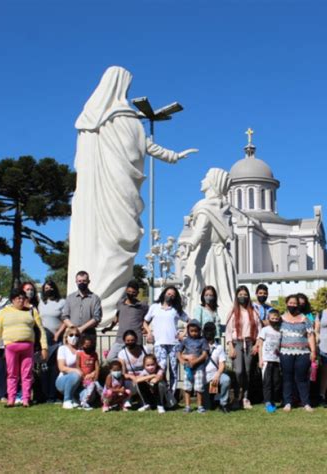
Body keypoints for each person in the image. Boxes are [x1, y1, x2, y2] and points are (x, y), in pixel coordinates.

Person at [68, 65, 197, 320]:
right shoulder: (93, 121)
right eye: (125, 84)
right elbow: (84, 161)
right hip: (100, 190)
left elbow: (146, 146)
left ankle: (109, 308)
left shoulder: (125, 118)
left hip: (122, 189)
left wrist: (173, 156)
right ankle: (97, 312)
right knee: (107, 240)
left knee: (122, 239)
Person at [179, 168, 236, 324]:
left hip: (206, 255)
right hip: (221, 256)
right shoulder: (222, 207)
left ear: (212, 182)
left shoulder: (206, 206)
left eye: (205, 177)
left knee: (201, 287)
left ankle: (201, 318)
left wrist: (189, 245)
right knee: (221, 289)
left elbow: (200, 231)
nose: (201, 180)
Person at [0, 288, 48, 407]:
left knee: (27, 374)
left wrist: (44, 347)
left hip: (28, 347)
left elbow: (41, 330)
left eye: (23, 298)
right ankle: (11, 399)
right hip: (10, 347)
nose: (21, 300)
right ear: (12, 300)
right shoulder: (3, 312)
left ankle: (26, 399)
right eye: (18, 298)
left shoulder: (32, 311)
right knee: (12, 374)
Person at [143, 286, 189, 393]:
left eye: (173, 295)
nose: (170, 297)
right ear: (164, 294)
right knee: (160, 369)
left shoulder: (176, 309)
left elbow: (190, 321)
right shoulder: (154, 307)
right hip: (159, 343)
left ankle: (172, 395)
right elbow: (145, 322)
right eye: (168, 294)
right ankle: (161, 393)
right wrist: (149, 332)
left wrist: (183, 334)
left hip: (174, 344)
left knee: (173, 370)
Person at [225, 285, 261, 409]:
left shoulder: (254, 311)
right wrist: (230, 346)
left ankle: (245, 398)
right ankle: (236, 396)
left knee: (247, 372)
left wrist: (257, 345)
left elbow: (259, 330)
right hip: (237, 343)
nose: (243, 297)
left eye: (245, 295)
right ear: (237, 296)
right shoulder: (233, 312)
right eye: (240, 295)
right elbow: (228, 330)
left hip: (250, 343)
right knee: (238, 371)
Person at [279, 296, 316, 413]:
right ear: (286, 304)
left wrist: (313, 351)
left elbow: (310, 335)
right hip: (285, 353)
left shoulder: (305, 319)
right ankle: (288, 402)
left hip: (303, 353)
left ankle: (305, 403)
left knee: (302, 379)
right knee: (287, 378)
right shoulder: (281, 319)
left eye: (295, 303)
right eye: (290, 303)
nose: (293, 305)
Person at [103, 280, 149, 362]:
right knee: (110, 358)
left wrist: (146, 328)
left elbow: (148, 318)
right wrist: (109, 328)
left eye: (133, 292)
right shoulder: (120, 303)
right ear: (126, 291)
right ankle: (125, 364)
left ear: (137, 293)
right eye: (129, 291)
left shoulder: (142, 306)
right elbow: (116, 317)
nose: (131, 294)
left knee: (138, 360)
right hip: (121, 338)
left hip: (136, 339)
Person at [38, 280, 65, 402]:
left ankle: (54, 395)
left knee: (55, 367)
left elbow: (65, 319)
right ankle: (44, 394)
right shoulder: (41, 303)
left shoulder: (62, 302)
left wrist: (58, 333)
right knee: (44, 367)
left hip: (57, 338)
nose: (48, 290)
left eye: (50, 287)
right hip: (45, 338)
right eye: (46, 288)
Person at [177, 319, 209, 413]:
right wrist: (183, 361)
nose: (194, 333)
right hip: (188, 368)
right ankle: (187, 406)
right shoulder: (185, 341)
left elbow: (204, 354)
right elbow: (178, 353)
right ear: (188, 331)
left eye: (196, 331)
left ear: (200, 330)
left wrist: (195, 362)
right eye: (192, 331)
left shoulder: (203, 340)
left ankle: (200, 406)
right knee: (187, 387)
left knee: (199, 388)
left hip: (199, 368)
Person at [62, 271, 102, 338]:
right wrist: (74, 328)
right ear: (76, 282)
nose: (82, 283)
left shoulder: (95, 298)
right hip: (72, 334)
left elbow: (97, 317)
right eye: (79, 281)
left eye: (84, 281)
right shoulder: (70, 298)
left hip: (89, 334)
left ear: (88, 281)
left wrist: (81, 329)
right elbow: (65, 316)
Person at [203, 322, 231, 413]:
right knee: (208, 407)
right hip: (203, 377)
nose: (209, 333)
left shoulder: (219, 347)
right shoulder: (200, 345)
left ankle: (223, 403)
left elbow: (222, 364)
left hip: (214, 376)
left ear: (215, 332)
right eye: (207, 330)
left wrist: (217, 375)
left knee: (226, 379)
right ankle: (209, 401)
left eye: (211, 331)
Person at [258, 309, 282, 413]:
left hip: (276, 360)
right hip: (267, 360)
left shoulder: (280, 331)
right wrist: (260, 359)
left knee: (276, 382)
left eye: (276, 318)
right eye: (272, 318)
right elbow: (260, 345)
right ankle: (267, 402)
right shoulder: (265, 330)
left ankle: (272, 400)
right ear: (268, 319)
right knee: (267, 382)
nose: (274, 320)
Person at [56, 327, 82, 409]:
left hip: (79, 381)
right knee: (75, 375)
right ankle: (67, 400)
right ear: (66, 337)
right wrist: (76, 370)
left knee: (89, 397)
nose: (74, 337)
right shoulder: (62, 349)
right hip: (63, 380)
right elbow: (61, 368)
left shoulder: (81, 350)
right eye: (71, 335)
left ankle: (73, 398)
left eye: (77, 335)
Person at [77, 334, 103, 410]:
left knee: (98, 386)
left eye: (89, 345)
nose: (88, 347)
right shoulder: (79, 354)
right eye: (86, 345)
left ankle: (105, 400)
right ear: (82, 345)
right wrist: (83, 376)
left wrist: (95, 376)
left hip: (92, 377)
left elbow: (97, 366)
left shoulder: (94, 354)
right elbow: (77, 366)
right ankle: (84, 401)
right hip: (84, 378)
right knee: (91, 386)